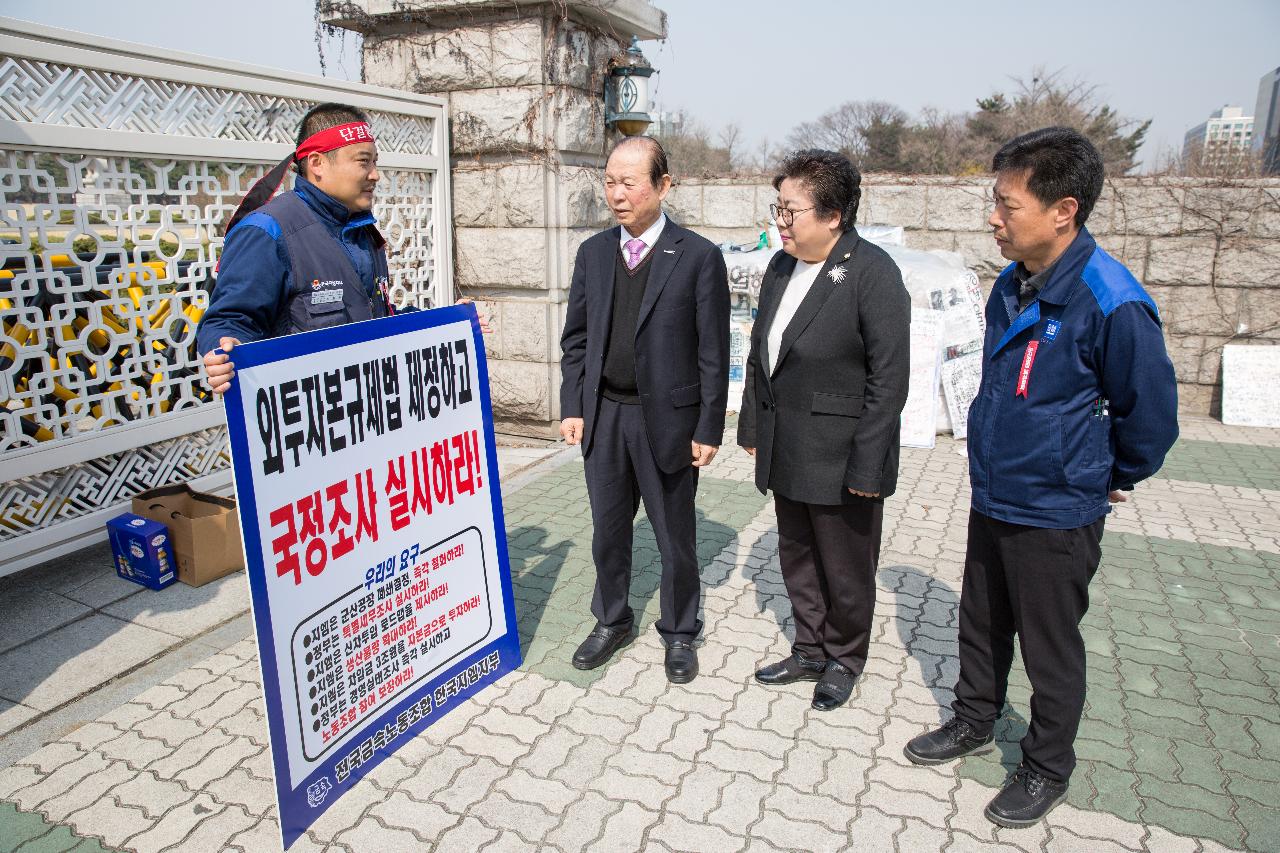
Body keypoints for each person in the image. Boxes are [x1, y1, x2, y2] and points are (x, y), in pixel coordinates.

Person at [903, 127, 1179, 828]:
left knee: (1051, 644)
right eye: (994, 202)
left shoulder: (1111, 299)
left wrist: (1102, 472)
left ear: (1064, 210)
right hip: (996, 490)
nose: (994, 218)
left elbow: (1152, 418)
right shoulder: (1010, 283)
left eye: (1008, 204)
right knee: (982, 620)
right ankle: (972, 719)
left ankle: (1047, 764)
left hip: (1058, 508)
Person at [737, 149, 910, 711]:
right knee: (797, 555)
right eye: (778, 209)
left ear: (834, 215)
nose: (780, 222)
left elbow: (889, 380)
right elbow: (761, 352)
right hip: (788, 444)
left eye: (792, 211)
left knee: (846, 565)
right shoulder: (781, 266)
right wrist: (753, 426)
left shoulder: (871, 272)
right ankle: (809, 646)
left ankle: (844, 657)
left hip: (842, 454)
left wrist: (869, 463)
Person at [559, 136, 729, 684]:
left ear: (663, 185)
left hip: (669, 421)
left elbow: (713, 351)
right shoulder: (594, 253)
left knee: (673, 533)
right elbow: (577, 340)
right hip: (605, 414)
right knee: (608, 530)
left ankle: (680, 631)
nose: (616, 193)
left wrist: (708, 425)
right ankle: (612, 619)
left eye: (629, 182)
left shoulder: (697, 256)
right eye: (609, 181)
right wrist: (573, 404)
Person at [198, 102, 484, 394]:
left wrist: (447, 322)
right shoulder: (267, 231)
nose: (375, 175)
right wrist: (223, 350)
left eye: (375, 163)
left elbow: (377, 316)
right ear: (317, 163)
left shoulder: (362, 231)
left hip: (364, 413)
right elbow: (228, 321)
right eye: (363, 162)